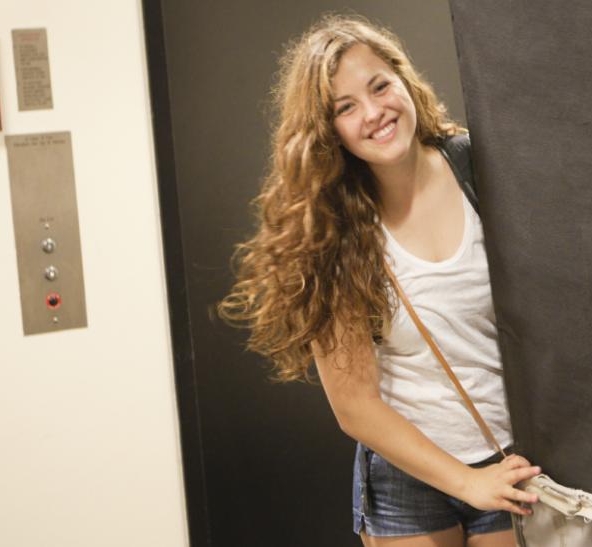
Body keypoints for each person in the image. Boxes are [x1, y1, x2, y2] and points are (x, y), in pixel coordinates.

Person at [219, 14, 537, 547]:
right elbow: (355, 405)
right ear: (328, 130)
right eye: (346, 107)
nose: (374, 113)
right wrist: (465, 483)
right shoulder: (332, 227)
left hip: (507, 457)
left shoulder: (478, 168)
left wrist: (490, 478)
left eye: (379, 86)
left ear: (404, 79)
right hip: (404, 479)